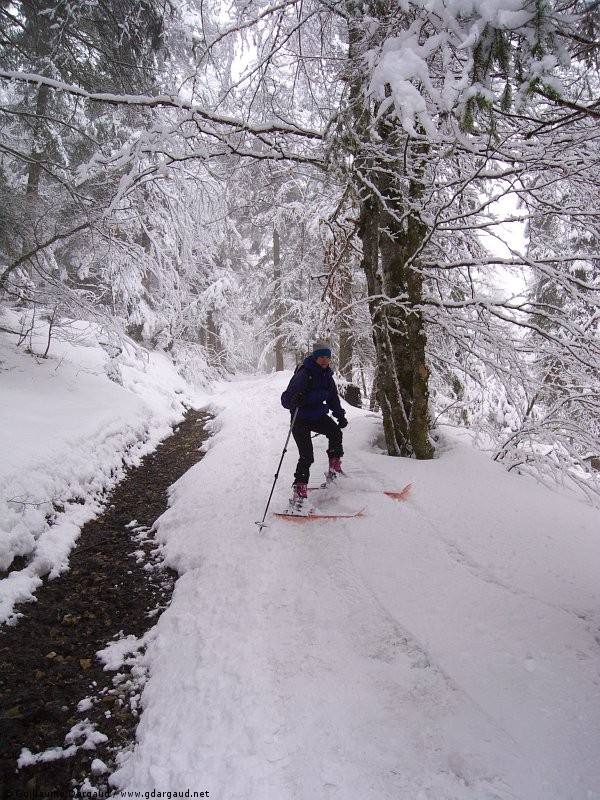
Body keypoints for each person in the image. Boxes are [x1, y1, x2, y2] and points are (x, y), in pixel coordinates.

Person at [281, 341, 348, 507]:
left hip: (317, 415)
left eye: (327, 357)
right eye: (321, 357)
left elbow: (333, 398)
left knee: (335, 432)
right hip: (300, 418)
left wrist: (340, 416)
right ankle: (299, 491)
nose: (324, 360)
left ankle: (334, 471)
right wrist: (294, 400)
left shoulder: (327, 377)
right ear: (315, 357)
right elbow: (285, 399)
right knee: (307, 455)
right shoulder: (304, 374)